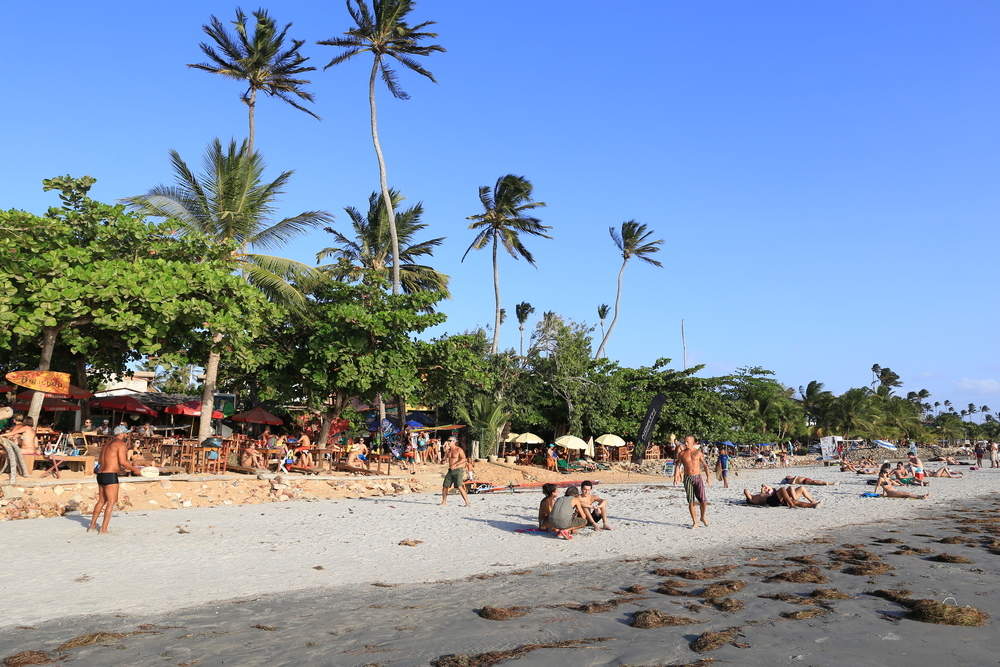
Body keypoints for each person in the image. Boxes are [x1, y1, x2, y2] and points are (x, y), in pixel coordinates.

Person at [88, 434, 142, 533]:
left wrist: (118, 468)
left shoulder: (106, 444)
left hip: (100, 474)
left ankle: (92, 525)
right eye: (126, 433)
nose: (127, 435)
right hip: (110, 475)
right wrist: (135, 470)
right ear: (121, 434)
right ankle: (103, 529)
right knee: (111, 502)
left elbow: (101, 461)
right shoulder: (120, 444)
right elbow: (123, 462)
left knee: (101, 501)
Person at [673, 435, 710, 528]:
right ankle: (695, 522)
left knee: (703, 501)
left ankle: (702, 517)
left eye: (687, 442)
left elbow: (705, 465)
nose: (685, 443)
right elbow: (677, 465)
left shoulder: (698, 453)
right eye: (685, 441)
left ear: (693, 443)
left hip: (697, 477)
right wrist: (676, 476)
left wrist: (708, 477)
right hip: (687, 478)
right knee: (691, 501)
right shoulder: (682, 454)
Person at [441, 438, 472, 507]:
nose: (448, 442)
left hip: (458, 470)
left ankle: (467, 502)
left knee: (459, 486)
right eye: (448, 440)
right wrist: (443, 460)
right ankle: (444, 502)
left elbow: (464, 459)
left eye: (449, 441)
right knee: (445, 486)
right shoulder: (448, 451)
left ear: (454, 442)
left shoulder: (459, 449)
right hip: (450, 470)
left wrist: (455, 464)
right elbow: (444, 460)